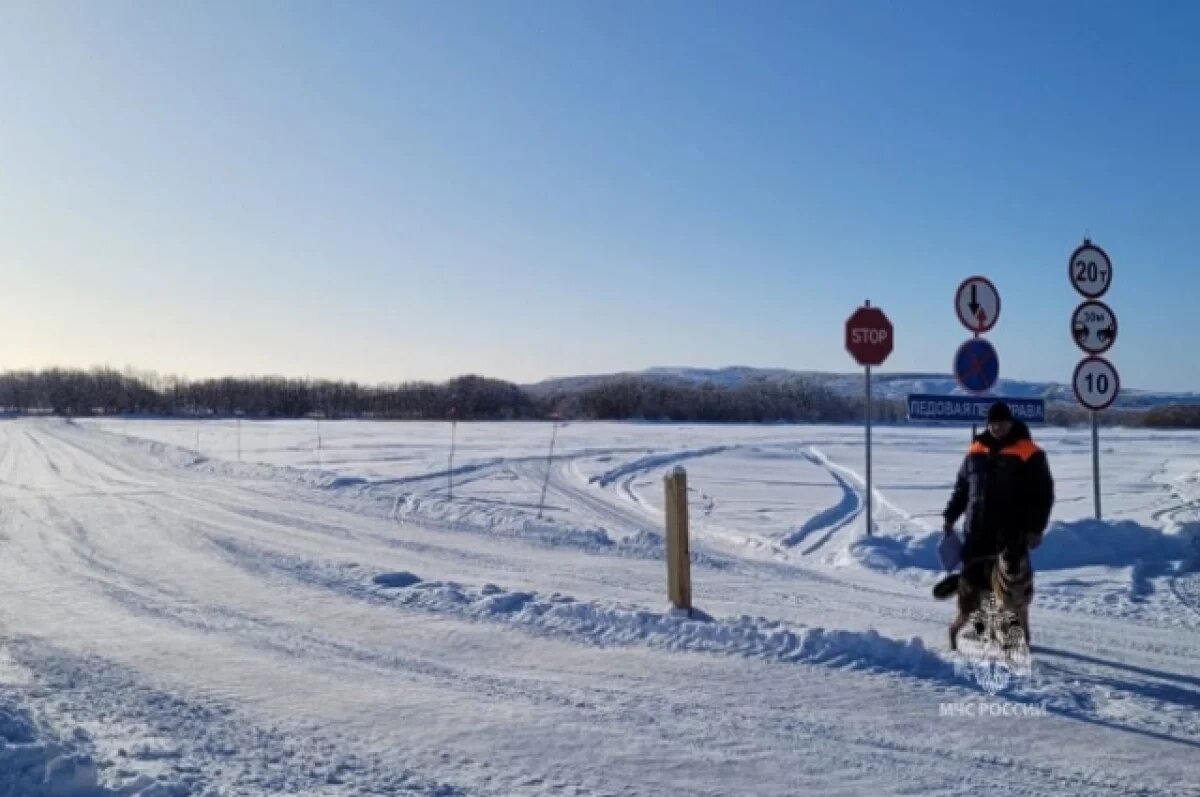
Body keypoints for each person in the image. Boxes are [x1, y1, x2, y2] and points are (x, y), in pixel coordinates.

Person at [933, 401, 1055, 597]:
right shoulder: (976, 450)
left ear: (1011, 423)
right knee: (974, 590)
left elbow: (1043, 494)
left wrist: (1036, 528)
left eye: (1002, 423)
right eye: (993, 423)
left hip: (1010, 537)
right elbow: (963, 488)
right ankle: (979, 626)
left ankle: (1007, 626)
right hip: (976, 533)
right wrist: (950, 516)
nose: (997, 427)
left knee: (1008, 592)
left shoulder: (1030, 452)